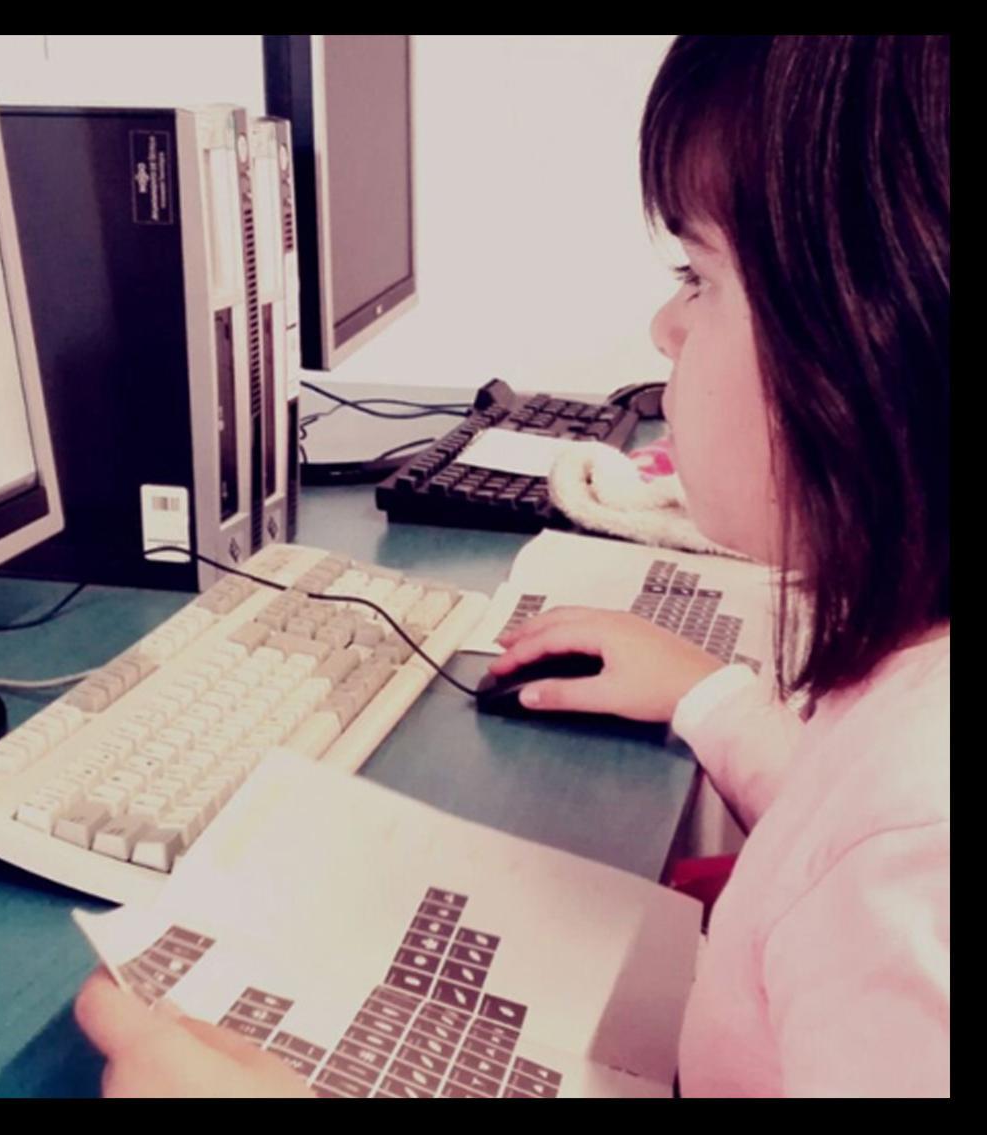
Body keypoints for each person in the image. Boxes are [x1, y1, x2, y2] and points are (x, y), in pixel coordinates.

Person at [75, 35, 949, 1097]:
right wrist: (711, 699)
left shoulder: (914, 856)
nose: (663, 327)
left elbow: (878, 846)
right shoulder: (904, 738)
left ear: (885, 332)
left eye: (699, 277)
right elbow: (835, 824)